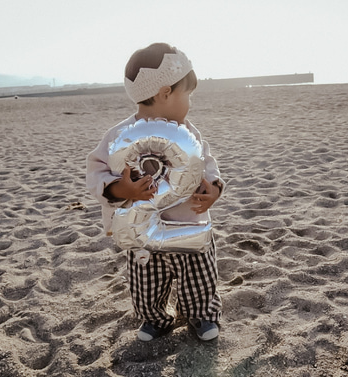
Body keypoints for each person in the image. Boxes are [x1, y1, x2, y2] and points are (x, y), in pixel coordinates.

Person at [86, 43, 225, 341]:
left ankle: (201, 316)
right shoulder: (118, 136)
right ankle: (156, 318)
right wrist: (120, 188)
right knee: (146, 283)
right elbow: (96, 169)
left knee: (198, 277)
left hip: (188, 224)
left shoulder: (189, 133)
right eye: (187, 94)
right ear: (165, 92)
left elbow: (207, 162)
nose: (190, 102)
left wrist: (212, 187)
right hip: (142, 231)